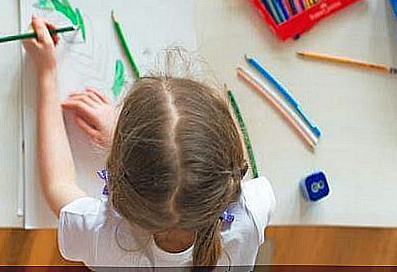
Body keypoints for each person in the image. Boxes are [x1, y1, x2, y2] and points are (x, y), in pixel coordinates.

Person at [23, 15, 276, 271]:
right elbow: (233, 161)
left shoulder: (99, 232)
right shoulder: (251, 214)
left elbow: (58, 184)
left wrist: (46, 72)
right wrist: (134, 147)